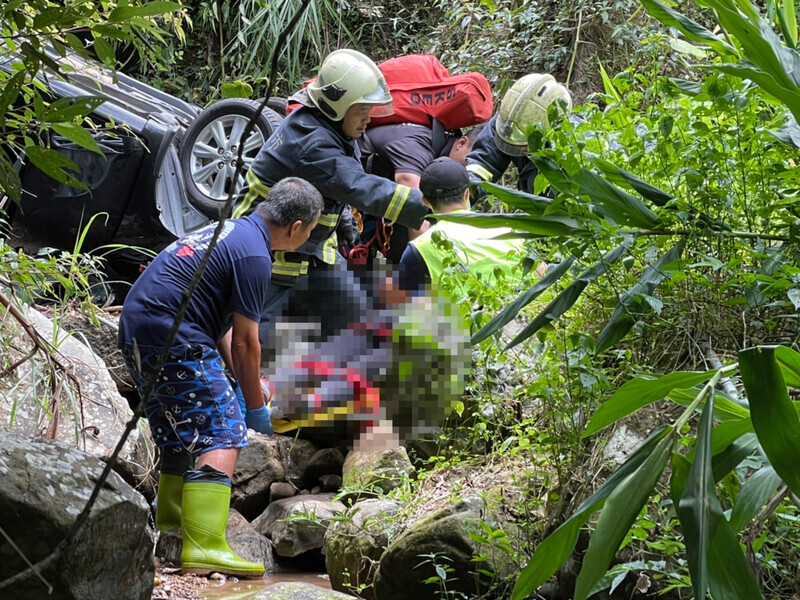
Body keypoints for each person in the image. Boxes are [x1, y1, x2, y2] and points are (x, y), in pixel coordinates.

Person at [117, 177, 323, 577]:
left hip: (140, 328)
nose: (308, 237)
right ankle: (205, 544)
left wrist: (248, 382)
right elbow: (247, 341)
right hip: (171, 331)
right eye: (311, 231)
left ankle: (172, 531)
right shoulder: (255, 257)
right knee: (223, 429)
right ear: (296, 227)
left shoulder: (233, 232)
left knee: (180, 434)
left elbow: (226, 330)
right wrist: (253, 407)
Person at [240, 48, 431, 351]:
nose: (367, 119)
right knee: (258, 342)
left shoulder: (330, 128)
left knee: (356, 320)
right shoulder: (312, 142)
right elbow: (357, 185)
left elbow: (330, 188)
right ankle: (248, 392)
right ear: (337, 106)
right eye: (361, 110)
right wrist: (428, 207)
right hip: (272, 251)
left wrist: (342, 224)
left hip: (311, 248)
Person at [354, 122, 485, 264]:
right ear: (461, 143)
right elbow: (415, 215)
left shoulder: (437, 145)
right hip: (349, 203)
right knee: (421, 224)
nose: (467, 170)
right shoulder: (416, 150)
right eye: (469, 162)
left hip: (371, 203)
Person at [398, 157, 525, 296]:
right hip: (522, 315)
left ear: (425, 201)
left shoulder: (419, 249)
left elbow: (409, 306)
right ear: (467, 193)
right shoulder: (510, 231)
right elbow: (540, 274)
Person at [466, 73, 571, 201]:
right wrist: (466, 187)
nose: (519, 149)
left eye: (525, 144)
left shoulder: (574, 150)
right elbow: (484, 161)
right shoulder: (509, 120)